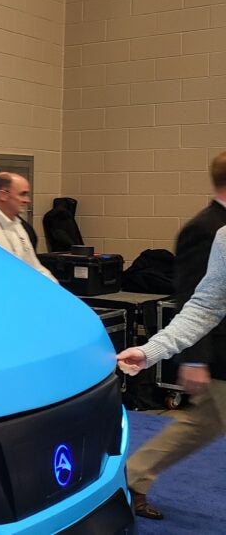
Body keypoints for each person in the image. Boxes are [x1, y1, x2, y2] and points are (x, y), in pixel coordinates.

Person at [118, 151, 226, 519]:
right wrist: (151, 351)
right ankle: (132, 479)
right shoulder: (222, 236)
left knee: (200, 424)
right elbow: (203, 305)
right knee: (201, 424)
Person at [0, 172, 58, 282]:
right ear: (3, 195)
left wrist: (60, 293)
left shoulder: (17, 225)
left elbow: (34, 268)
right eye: (22, 194)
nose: (27, 200)